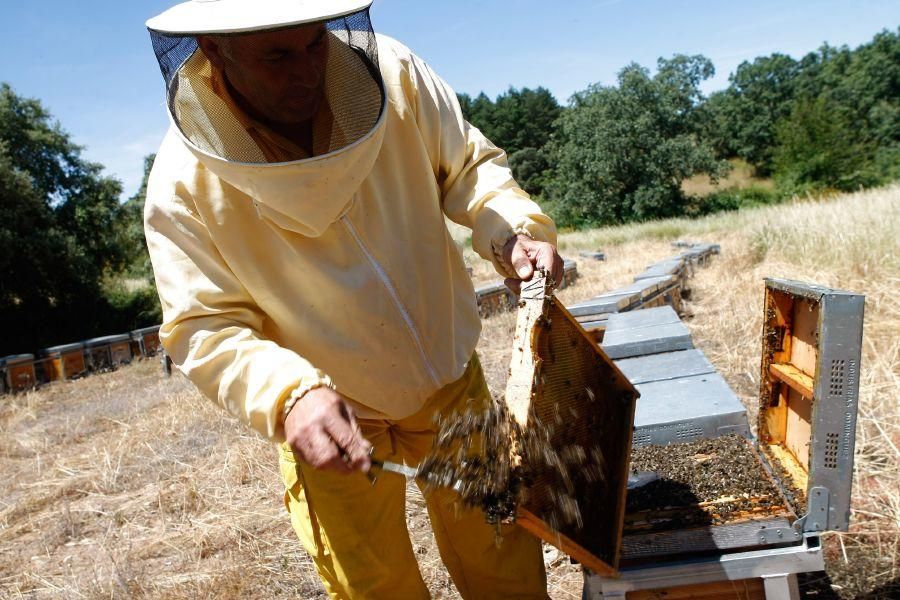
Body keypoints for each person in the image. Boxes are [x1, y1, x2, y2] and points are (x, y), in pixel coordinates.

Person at [144, 1, 562, 597]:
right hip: (332, 419)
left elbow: (467, 168)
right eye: (277, 55)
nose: (306, 70)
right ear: (214, 50)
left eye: (314, 42)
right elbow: (204, 326)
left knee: (506, 561)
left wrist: (512, 229)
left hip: (448, 379)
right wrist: (290, 397)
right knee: (375, 587)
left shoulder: (390, 73)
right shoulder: (182, 183)